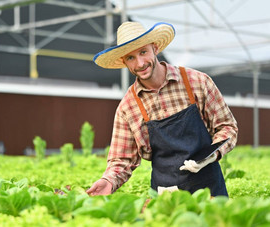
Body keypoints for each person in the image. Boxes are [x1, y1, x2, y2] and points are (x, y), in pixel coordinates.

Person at [86, 21, 238, 197]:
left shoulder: (197, 82)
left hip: (209, 190)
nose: (140, 63)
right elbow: (121, 159)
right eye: (131, 58)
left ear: (155, 48)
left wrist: (211, 155)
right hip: (166, 196)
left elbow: (227, 127)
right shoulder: (128, 107)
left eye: (143, 52)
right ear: (124, 61)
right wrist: (108, 181)